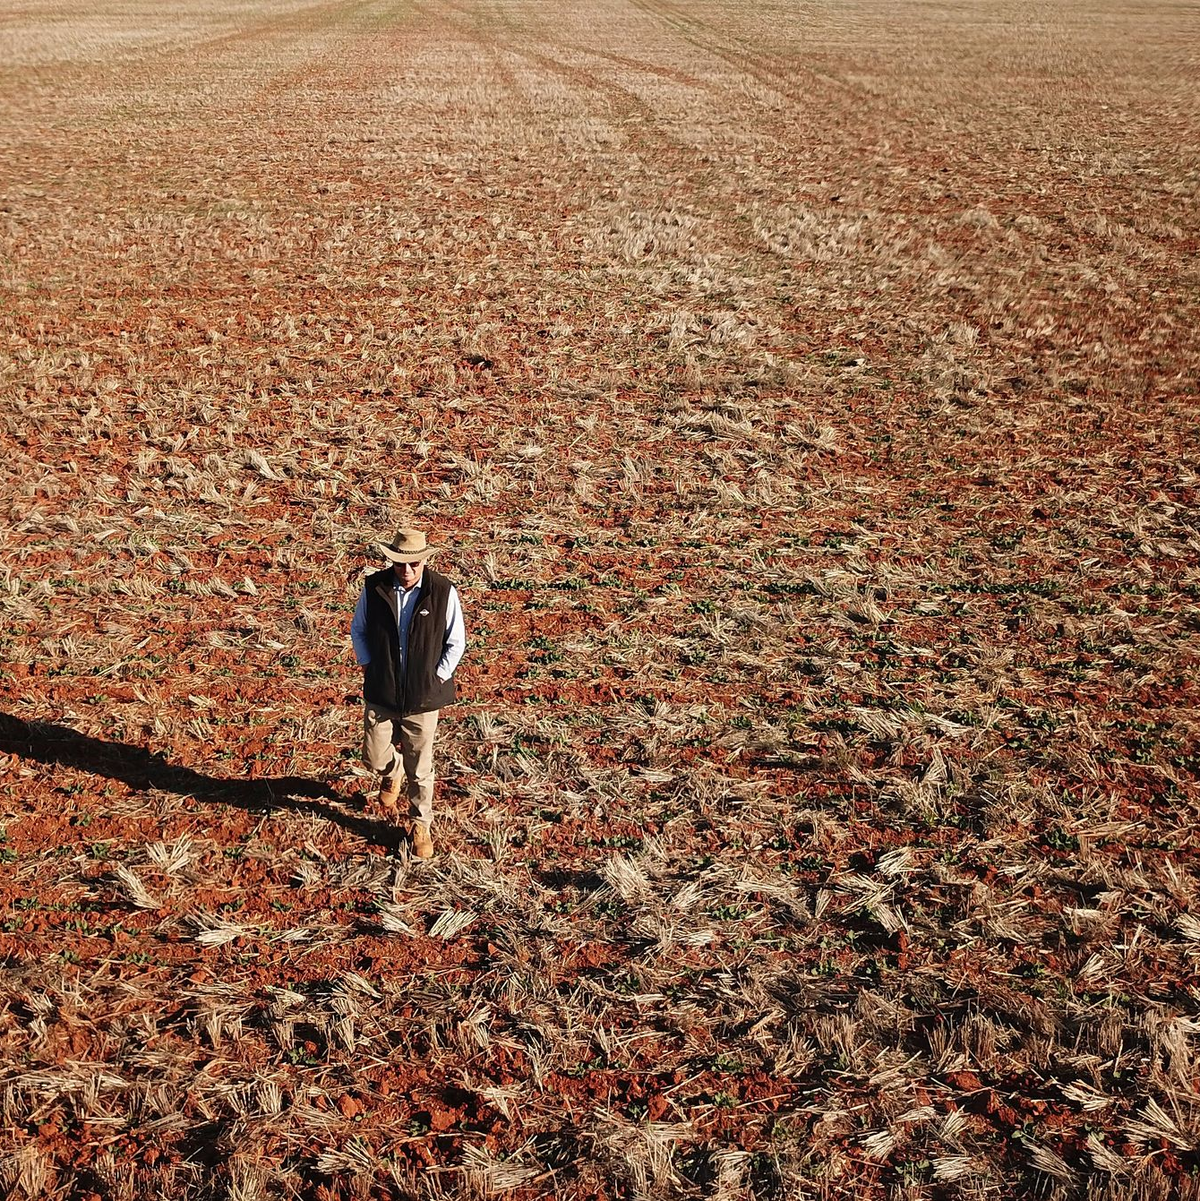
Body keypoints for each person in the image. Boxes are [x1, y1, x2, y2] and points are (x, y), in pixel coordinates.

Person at [350, 528, 466, 858]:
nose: (407, 571)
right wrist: (369, 665)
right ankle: (391, 772)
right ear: (391, 561)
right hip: (381, 691)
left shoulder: (442, 591)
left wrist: (436, 678)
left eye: (414, 564)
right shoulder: (374, 588)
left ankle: (420, 824)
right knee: (373, 756)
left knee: (422, 767)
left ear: (424, 561)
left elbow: (456, 642)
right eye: (401, 564)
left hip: (423, 698)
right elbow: (358, 629)